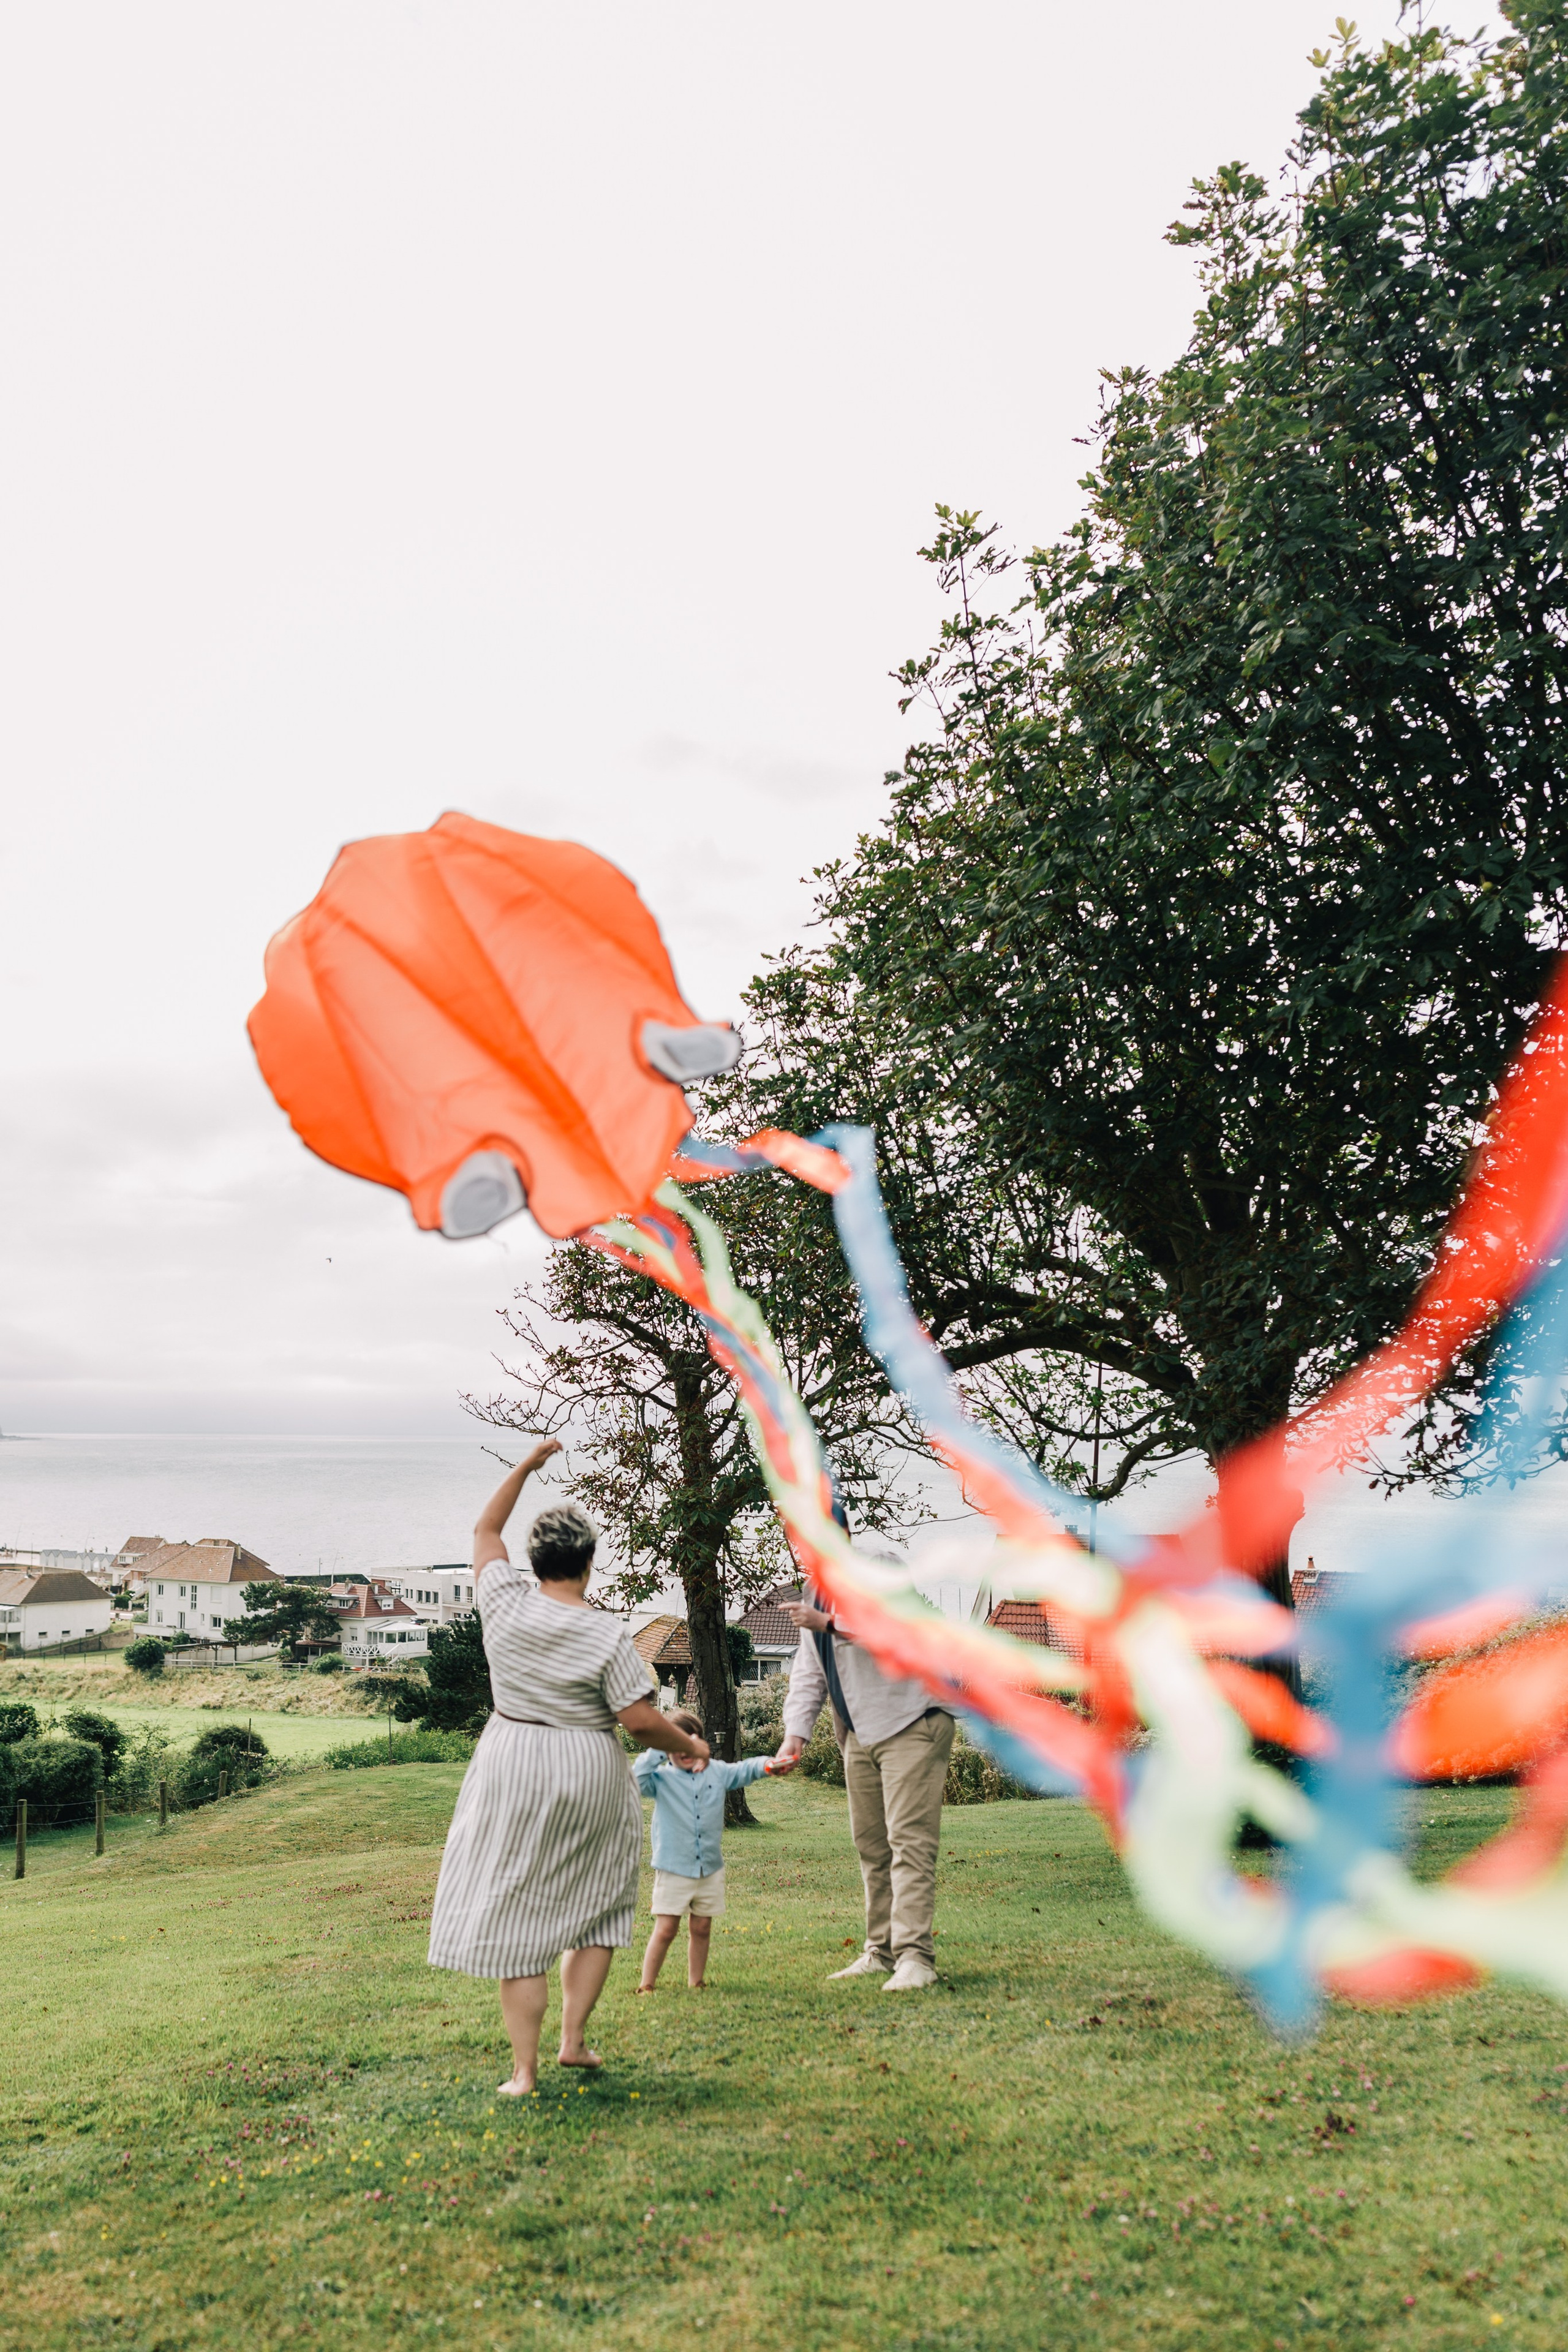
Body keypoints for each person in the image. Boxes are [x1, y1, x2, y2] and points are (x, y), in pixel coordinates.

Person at [426, 1441, 709, 2094]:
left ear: (534, 1559)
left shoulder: (502, 1600)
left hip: (512, 1759)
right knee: (602, 1906)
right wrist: (690, 1747)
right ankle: (573, 2041)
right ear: (586, 1561)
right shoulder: (606, 1632)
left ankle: (523, 2072)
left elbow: (484, 1529)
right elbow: (639, 1721)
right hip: (585, 1765)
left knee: (516, 1913)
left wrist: (526, 1467)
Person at [777, 1572, 954, 1992]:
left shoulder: (878, 1565)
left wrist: (829, 1623)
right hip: (860, 1732)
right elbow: (810, 1670)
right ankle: (882, 1951)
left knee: (908, 1842)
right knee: (871, 1845)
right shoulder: (813, 1592)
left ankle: (917, 1958)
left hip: (913, 1720)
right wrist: (795, 1734)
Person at [631, 1709, 794, 1992]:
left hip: (709, 1868)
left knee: (702, 1927)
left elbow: (744, 1770)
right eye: (677, 1744)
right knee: (667, 1929)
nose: (685, 1750)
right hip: (674, 1869)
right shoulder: (661, 1780)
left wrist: (769, 1764)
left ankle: (697, 1981)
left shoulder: (717, 1772)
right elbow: (637, 1776)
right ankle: (647, 1984)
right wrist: (663, 1743)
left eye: (691, 1742)